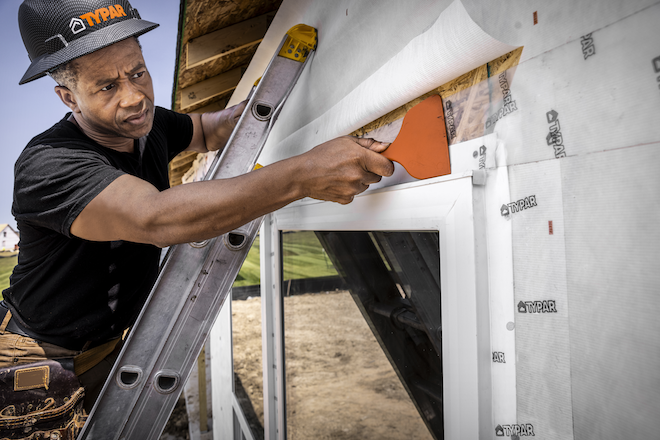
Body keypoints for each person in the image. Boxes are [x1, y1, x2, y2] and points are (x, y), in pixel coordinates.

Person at [0, 0, 393, 437]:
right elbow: (155, 219)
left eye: (137, 72)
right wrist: (301, 175)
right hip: (39, 356)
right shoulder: (50, 164)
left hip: (110, 340)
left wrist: (262, 101)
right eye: (107, 86)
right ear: (68, 97)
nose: (134, 97)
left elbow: (208, 130)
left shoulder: (147, 125)